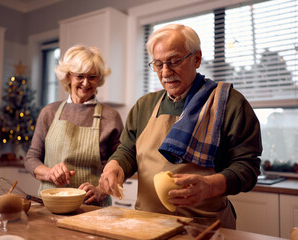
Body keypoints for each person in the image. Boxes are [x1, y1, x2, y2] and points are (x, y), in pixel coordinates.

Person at [99, 24, 262, 228]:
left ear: (197, 59)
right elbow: (127, 150)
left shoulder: (229, 103)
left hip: (205, 227)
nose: (166, 72)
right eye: (158, 64)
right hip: (147, 224)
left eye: (174, 61)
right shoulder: (144, 105)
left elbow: (247, 166)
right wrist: (115, 165)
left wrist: (210, 186)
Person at [24, 45, 124, 206]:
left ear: (99, 79)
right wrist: (50, 173)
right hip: (50, 206)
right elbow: (31, 159)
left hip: (93, 208)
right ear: (68, 77)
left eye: (92, 77)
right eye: (80, 76)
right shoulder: (49, 112)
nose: (86, 83)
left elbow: (120, 167)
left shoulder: (111, 117)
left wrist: (101, 190)